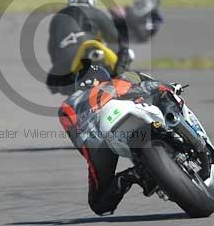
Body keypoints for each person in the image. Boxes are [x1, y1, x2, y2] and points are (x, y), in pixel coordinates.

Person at [58, 65, 182, 216]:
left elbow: (79, 142)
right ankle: (173, 122)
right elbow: (145, 86)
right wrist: (169, 87)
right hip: (124, 117)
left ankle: (130, 176)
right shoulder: (111, 83)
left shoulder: (67, 105)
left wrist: (94, 157)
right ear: (102, 78)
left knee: (99, 205)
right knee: (162, 93)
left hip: (96, 141)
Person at [45, 0, 133, 95]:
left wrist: (59, 66)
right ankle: (122, 81)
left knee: (52, 82)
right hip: (92, 51)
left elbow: (52, 49)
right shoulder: (97, 12)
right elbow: (115, 37)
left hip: (67, 58)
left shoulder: (58, 15)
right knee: (125, 50)